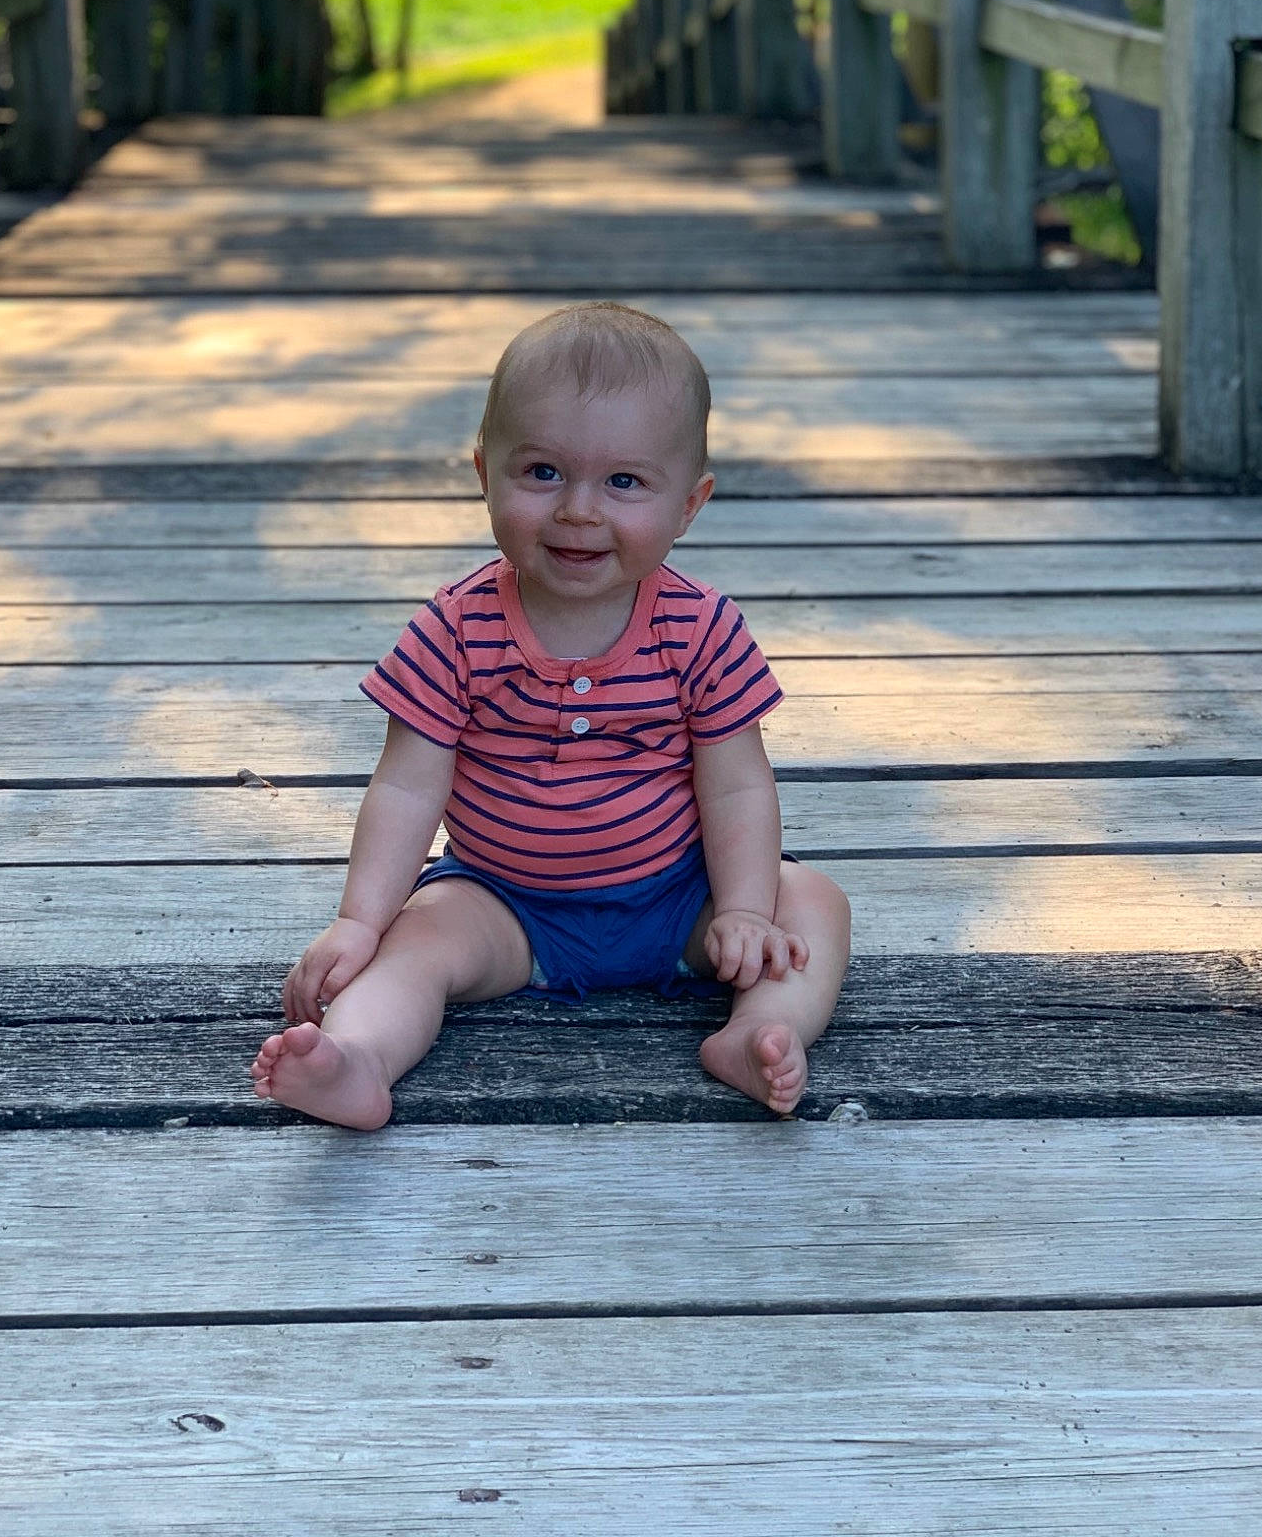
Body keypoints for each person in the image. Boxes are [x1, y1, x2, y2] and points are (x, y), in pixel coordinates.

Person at [251, 300, 851, 1128]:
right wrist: (359, 920)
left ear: (689, 504)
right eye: (542, 473)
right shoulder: (456, 628)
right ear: (483, 476)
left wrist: (744, 907)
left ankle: (760, 1029)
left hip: (680, 901)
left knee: (812, 903)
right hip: (506, 908)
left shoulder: (703, 628)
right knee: (411, 945)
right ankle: (357, 1061)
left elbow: (739, 787)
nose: (578, 508)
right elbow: (406, 788)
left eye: (625, 482)